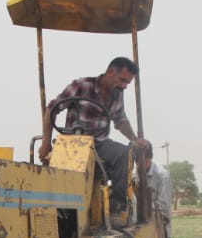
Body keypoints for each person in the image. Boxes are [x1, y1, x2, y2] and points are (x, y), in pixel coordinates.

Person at [40, 57, 149, 212]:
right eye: (122, 80)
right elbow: (52, 109)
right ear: (111, 72)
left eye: (128, 83)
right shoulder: (81, 86)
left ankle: (117, 206)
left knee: (125, 153)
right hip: (74, 144)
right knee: (60, 169)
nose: (124, 86)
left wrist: (135, 139)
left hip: (100, 143)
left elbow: (120, 120)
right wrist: (45, 143)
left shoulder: (117, 93)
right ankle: (60, 208)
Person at [144, 141, 172, 238]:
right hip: (145, 235)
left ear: (149, 158)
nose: (136, 165)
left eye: (140, 161)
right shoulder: (136, 174)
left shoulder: (162, 176)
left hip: (161, 234)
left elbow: (163, 208)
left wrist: (143, 205)